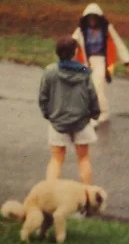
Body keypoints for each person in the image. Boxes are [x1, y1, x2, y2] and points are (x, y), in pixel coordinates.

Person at [38, 37, 100, 185]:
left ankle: (51, 194)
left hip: (57, 121)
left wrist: (48, 114)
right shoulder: (85, 71)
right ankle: (86, 198)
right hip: (81, 121)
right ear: (75, 52)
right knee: (83, 158)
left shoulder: (50, 71)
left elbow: (43, 97)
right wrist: (95, 113)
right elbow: (92, 95)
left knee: (56, 158)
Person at [72, 3, 129, 127]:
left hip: (102, 62)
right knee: (87, 87)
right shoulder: (81, 30)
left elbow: (118, 43)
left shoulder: (107, 29)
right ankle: (102, 112)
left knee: (98, 87)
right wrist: (67, 60)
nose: (92, 21)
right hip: (86, 63)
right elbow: (72, 44)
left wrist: (128, 62)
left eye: (94, 18)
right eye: (90, 18)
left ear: (99, 18)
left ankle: (96, 115)